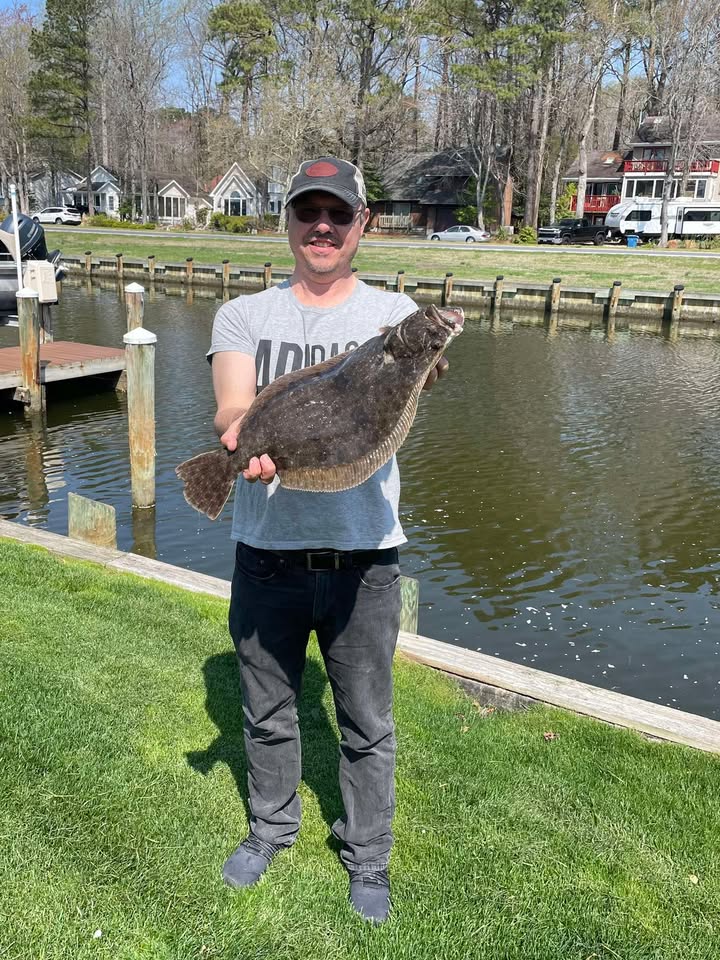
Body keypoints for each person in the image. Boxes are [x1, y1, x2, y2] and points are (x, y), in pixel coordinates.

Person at [206, 156, 448, 924]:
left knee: (367, 722)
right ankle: (271, 829)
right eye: (308, 212)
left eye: (337, 214)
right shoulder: (244, 315)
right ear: (288, 222)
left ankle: (366, 855)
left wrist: (423, 368)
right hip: (267, 557)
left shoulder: (396, 318)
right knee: (266, 710)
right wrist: (244, 441)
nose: (322, 227)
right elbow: (233, 413)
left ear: (362, 224)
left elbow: (397, 412)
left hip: (365, 557)